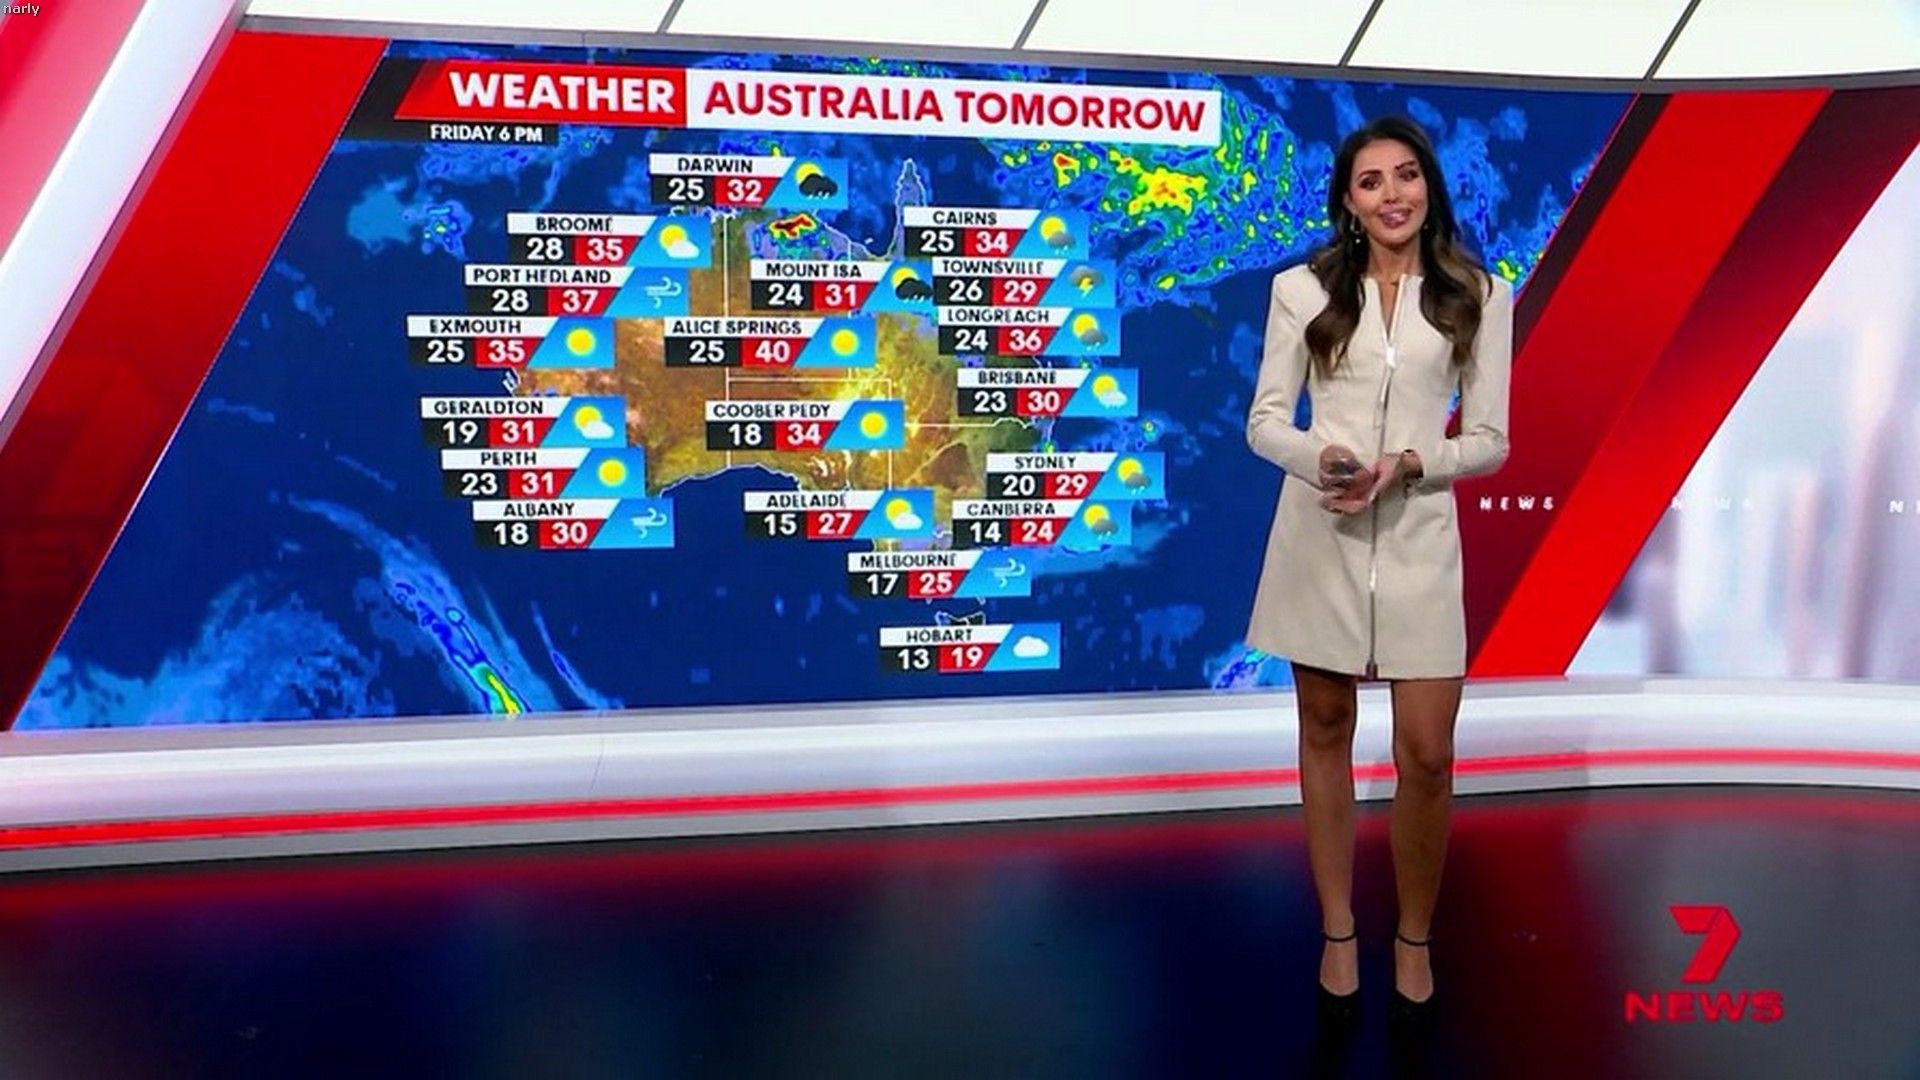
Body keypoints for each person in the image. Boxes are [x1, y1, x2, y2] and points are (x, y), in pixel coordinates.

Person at [1243, 116, 1513, 1020]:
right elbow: (1265, 421)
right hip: (1320, 532)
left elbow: (1490, 439)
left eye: (1406, 175)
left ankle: (1413, 937)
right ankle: (1337, 931)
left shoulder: (1479, 294)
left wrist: (1411, 464)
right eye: (1371, 182)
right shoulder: (1301, 290)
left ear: (1428, 185)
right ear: (1349, 202)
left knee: (1427, 755)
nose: (1392, 194)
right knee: (1324, 724)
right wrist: (1318, 456)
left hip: (1418, 537)